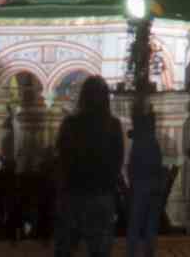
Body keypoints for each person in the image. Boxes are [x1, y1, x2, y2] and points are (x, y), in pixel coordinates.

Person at [59, 75, 128, 257]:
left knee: (67, 249)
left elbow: (62, 157)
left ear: (83, 97)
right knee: (100, 249)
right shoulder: (112, 125)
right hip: (102, 195)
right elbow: (118, 160)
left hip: (73, 194)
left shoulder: (70, 124)